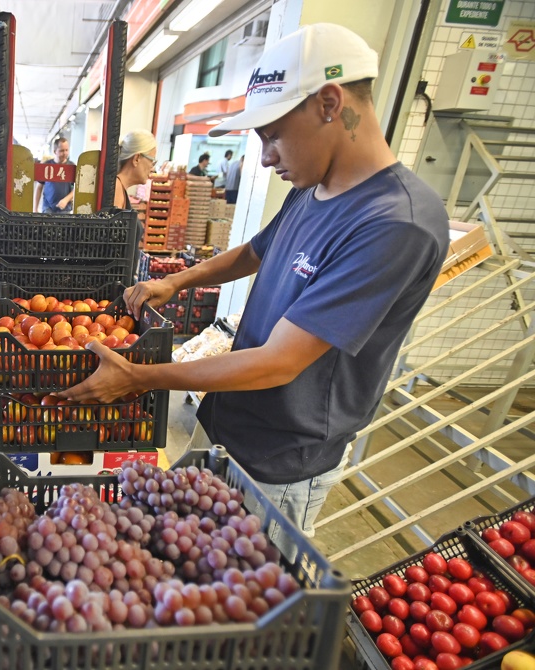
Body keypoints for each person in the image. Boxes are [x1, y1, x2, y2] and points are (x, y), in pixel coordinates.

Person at [60, 23, 450, 559]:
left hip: (280, 460)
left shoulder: (394, 224)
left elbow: (278, 363)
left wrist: (139, 377)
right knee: (182, 564)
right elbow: (255, 252)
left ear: (330, 104)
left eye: (272, 135)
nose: (265, 157)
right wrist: (176, 279)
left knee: (239, 594)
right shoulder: (312, 188)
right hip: (228, 422)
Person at [113, 130, 158, 281]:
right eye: (152, 160)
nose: (153, 167)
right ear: (137, 158)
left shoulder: (120, 189)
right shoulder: (116, 191)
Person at [34, 137, 74, 214]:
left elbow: (76, 188)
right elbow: (39, 187)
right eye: (62, 151)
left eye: (66, 150)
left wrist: (66, 200)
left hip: (65, 209)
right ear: (55, 151)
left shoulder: (72, 166)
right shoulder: (46, 165)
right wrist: (35, 209)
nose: (65, 153)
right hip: (48, 207)